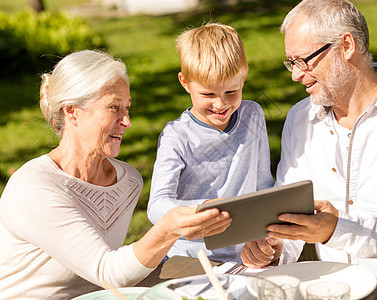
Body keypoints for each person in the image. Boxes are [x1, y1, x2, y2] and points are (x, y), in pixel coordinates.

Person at [241, 0, 377, 288]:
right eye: (291, 62)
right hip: (331, 289)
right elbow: (290, 210)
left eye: (303, 60)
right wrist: (274, 247)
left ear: (347, 46)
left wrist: (339, 229)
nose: (295, 74)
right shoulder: (299, 118)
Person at [0, 50, 232, 299]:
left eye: (127, 108)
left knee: (224, 282)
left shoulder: (128, 181)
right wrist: (167, 230)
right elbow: (107, 271)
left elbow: (116, 274)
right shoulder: (35, 187)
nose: (127, 121)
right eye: (114, 107)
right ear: (72, 111)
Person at [147, 22, 274, 262]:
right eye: (208, 94)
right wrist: (203, 209)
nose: (220, 104)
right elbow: (156, 206)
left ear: (243, 77)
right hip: (190, 257)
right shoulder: (178, 136)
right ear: (185, 82)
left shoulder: (253, 115)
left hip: (243, 254)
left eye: (231, 92)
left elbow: (263, 185)